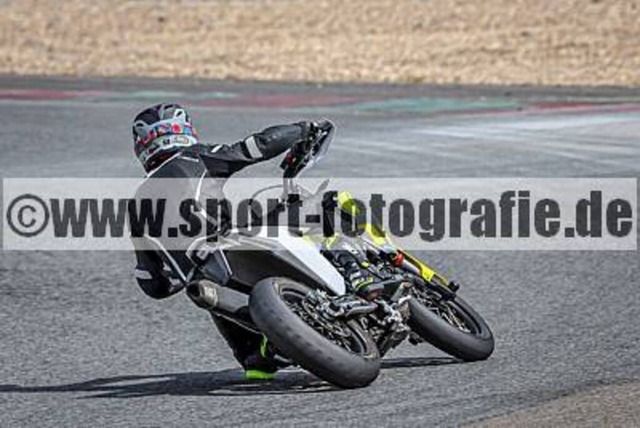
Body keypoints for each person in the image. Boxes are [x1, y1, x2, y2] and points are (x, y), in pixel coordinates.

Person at [129, 103, 380, 380]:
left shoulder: (135, 206)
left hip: (211, 285)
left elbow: (153, 284)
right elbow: (257, 146)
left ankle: (259, 356)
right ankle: (356, 273)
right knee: (331, 202)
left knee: (219, 311)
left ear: (142, 146)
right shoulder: (194, 157)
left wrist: (181, 270)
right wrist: (303, 130)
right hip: (235, 243)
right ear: (183, 132)